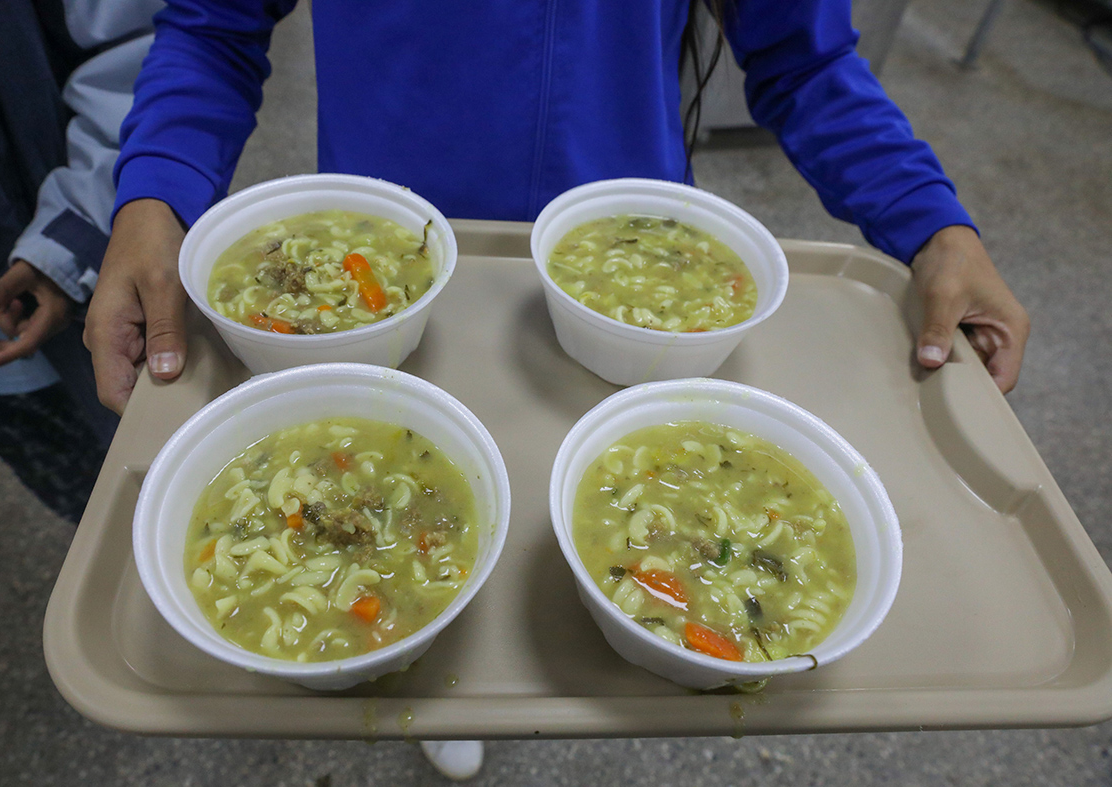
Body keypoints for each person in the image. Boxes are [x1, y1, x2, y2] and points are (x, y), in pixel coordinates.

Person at [86, 0, 1029, 777]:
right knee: (443, 553)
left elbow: (806, 61)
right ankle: (448, 671)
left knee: (623, 510)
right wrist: (154, 195)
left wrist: (932, 225)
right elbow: (212, 25)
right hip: (392, 279)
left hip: (633, 291)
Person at [0, 0, 160, 523]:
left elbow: (139, 46)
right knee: (99, 513)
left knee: (153, 453)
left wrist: (76, 233)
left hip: (84, 258)